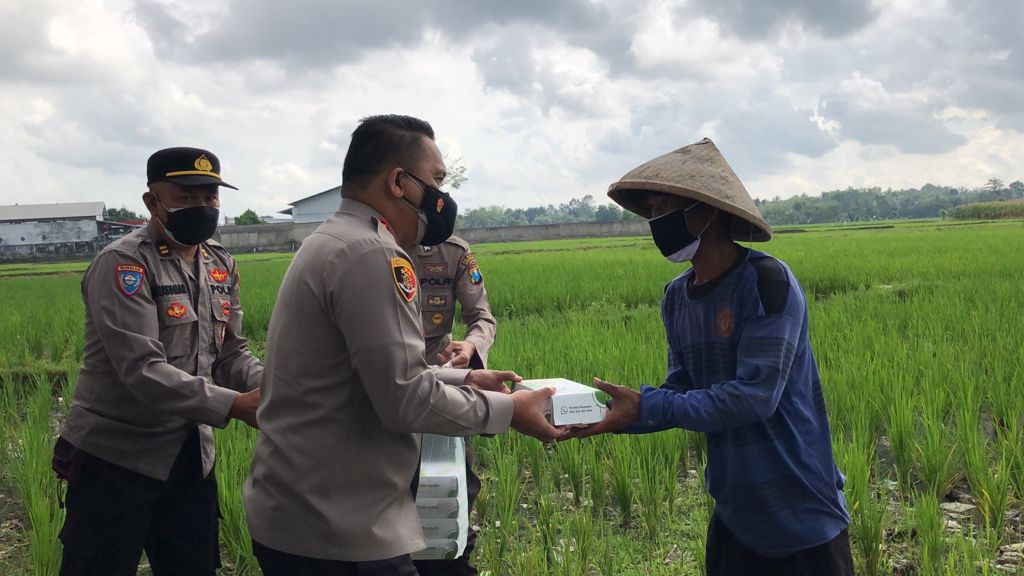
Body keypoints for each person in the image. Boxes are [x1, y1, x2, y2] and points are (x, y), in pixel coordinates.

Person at [244, 114, 559, 576]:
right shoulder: (374, 253)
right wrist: (510, 411)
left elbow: (368, 374)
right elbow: (403, 398)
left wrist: (466, 375)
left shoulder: (329, 240)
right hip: (339, 531)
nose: (442, 197)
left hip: (306, 514)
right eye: (435, 181)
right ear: (398, 182)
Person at [574, 138, 853, 576]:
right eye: (651, 208)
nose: (656, 220)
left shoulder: (765, 282)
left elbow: (755, 397)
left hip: (801, 510)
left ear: (705, 212)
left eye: (665, 206)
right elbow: (683, 387)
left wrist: (647, 404)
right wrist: (620, 415)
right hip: (735, 510)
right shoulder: (676, 297)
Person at [53, 147, 263, 576]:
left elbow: (231, 353)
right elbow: (142, 370)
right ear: (152, 201)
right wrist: (236, 406)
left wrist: (279, 388)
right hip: (115, 459)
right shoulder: (124, 264)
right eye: (187, 197)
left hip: (189, 457)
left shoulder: (221, 263)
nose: (202, 207)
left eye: (211, 197)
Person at [410, 236, 494, 575]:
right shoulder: (373, 246)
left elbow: (482, 317)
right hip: (385, 372)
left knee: (451, 482)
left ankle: (454, 553)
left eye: (442, 179)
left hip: (444, 372)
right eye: (434, 179)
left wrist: (471, 347)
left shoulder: (453, 253)